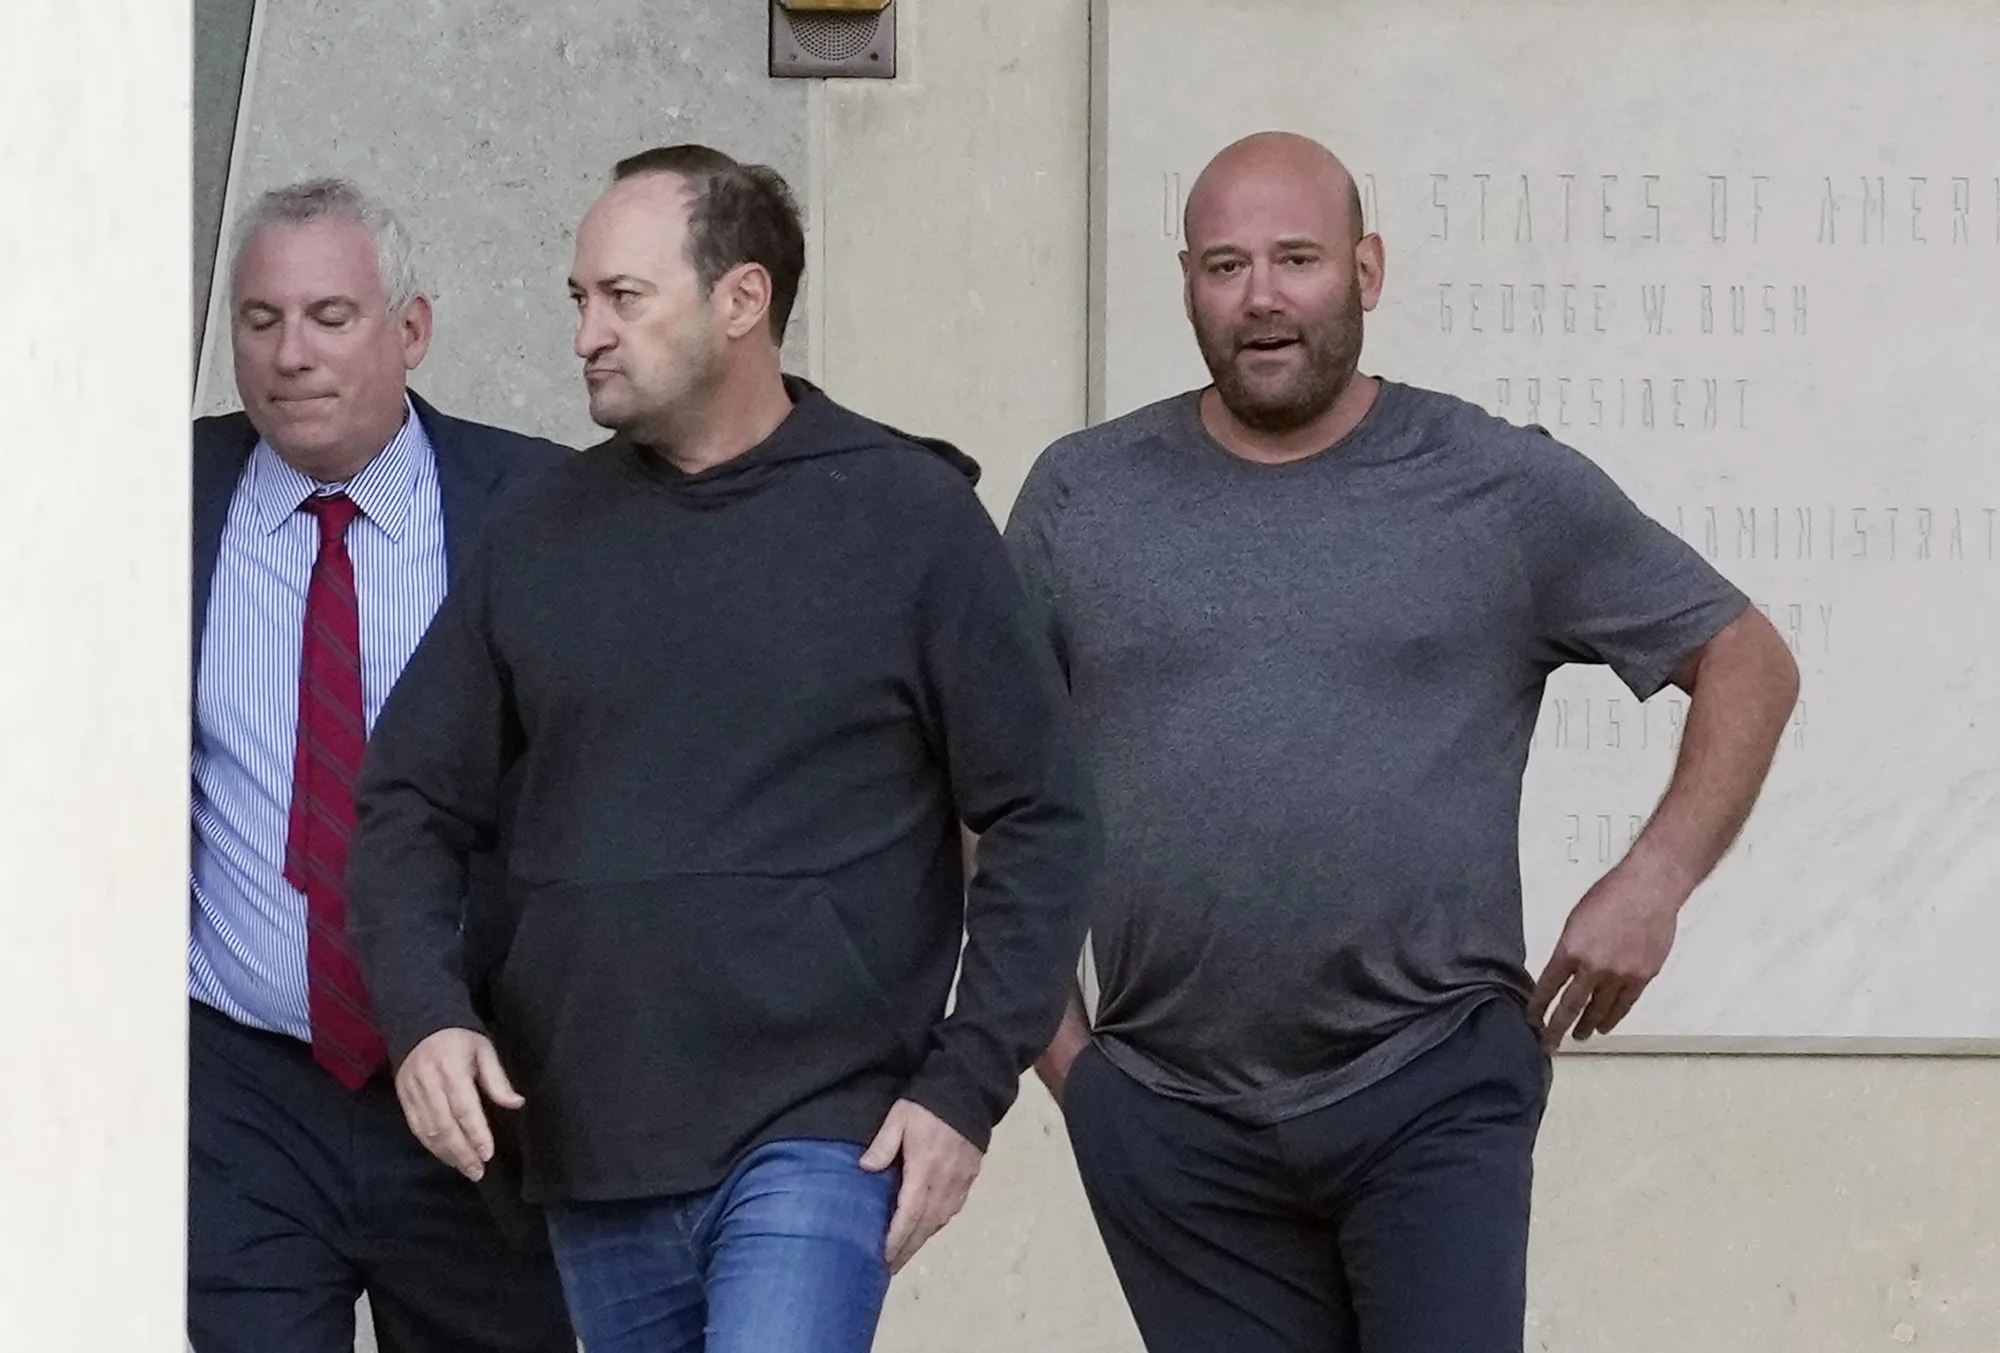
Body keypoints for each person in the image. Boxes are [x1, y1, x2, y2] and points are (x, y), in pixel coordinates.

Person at [1008, 132, 1801, 1353]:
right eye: (1224, 265)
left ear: (1365, 271)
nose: (1260, 296)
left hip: (1431, 1084)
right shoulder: (1081, 497)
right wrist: (1066, 1060)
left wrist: (1653, 879)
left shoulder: (1496, 486)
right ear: (1186, 284)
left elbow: (1745, 659)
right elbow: (983, 776)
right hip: (1169, 1121)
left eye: (1296, 259)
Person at [345, 143, 1098, 1353]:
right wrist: (427, 1012)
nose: (586, 334)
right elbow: (406, 802)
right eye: (579, 299)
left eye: (622, 297)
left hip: (822, 1130)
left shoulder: (907, 518)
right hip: (597, 1142)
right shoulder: (538, 532)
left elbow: (1042, 814)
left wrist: (964, 1087)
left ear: (741, 299)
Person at [188, 178, 575, 1352]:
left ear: (410, 330)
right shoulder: (152, 501)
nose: (290, 354)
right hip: (239, 1094)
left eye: (330, 316)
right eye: (261, 320)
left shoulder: (543, 511)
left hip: (481, 1091)